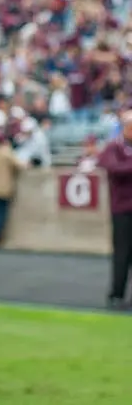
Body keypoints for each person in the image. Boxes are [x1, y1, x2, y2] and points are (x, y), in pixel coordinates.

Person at [96, 109, 132, 310]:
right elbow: (112, 168)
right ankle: (117, 294)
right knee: (122, 253)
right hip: (122, 208)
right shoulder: (114, 147)